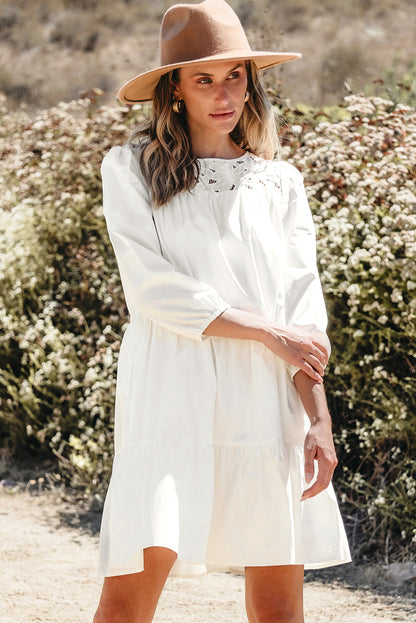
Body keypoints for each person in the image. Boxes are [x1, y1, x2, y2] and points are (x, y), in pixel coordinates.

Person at [93, 1, 351, 621]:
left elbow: (301, 308)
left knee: (279, 609)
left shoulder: (278, 182)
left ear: (250, 81)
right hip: (172, 390)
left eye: (233, 75)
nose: (222, 92)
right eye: (203, 78)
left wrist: (318, 417)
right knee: (128, 600)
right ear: (174, 90)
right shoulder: (129, 170)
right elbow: (153, 288)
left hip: (267, 400)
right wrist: (266, 331)